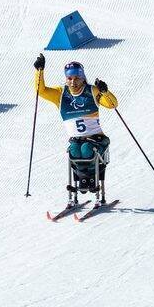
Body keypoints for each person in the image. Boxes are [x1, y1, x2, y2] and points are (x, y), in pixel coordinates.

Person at [33, 53, 118, 207]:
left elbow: (112, 105)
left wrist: (105, 92)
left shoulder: (92, 91)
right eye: (69, 78)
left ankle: (91, 183)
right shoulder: (60, 94)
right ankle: (82, 185)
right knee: (73, 151)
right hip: (76, 139)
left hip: (96, 138)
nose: (73, 82)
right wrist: (39, 70)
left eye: (77, 78)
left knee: (86, 150)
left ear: (83, 78)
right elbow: (42, 91)